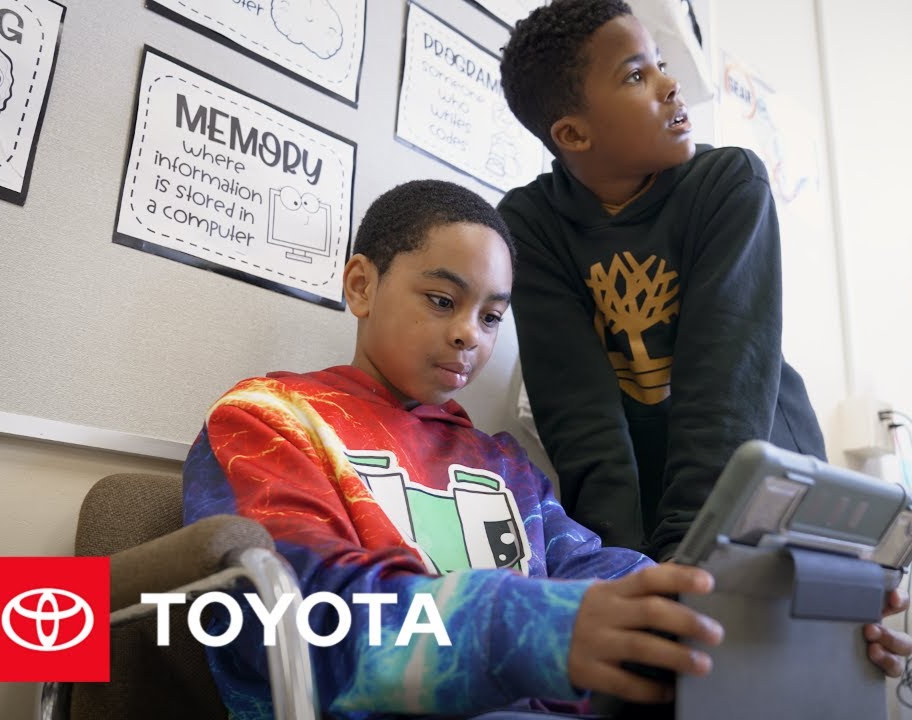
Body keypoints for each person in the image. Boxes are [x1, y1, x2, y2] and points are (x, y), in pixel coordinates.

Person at [182, 179, 724, 719]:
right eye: (442, 301)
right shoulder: (268, 418)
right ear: (361, 286)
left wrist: (684, 598)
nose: (470, 334)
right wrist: (528, 627)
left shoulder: (502, 462)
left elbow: (581, 564)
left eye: (491, 317)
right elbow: (297, 614)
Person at [497, 0, 912, 678]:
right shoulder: (530, 225)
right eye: (637, 75)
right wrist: (625, 572)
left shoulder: (728, 183)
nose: (671, 85)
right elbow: (581, 423)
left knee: (809, 674)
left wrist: (686, 561)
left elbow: (724, 395)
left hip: (769, 486)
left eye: (662, 64)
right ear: (573, 133)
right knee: (672, 680)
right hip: (650, 520)